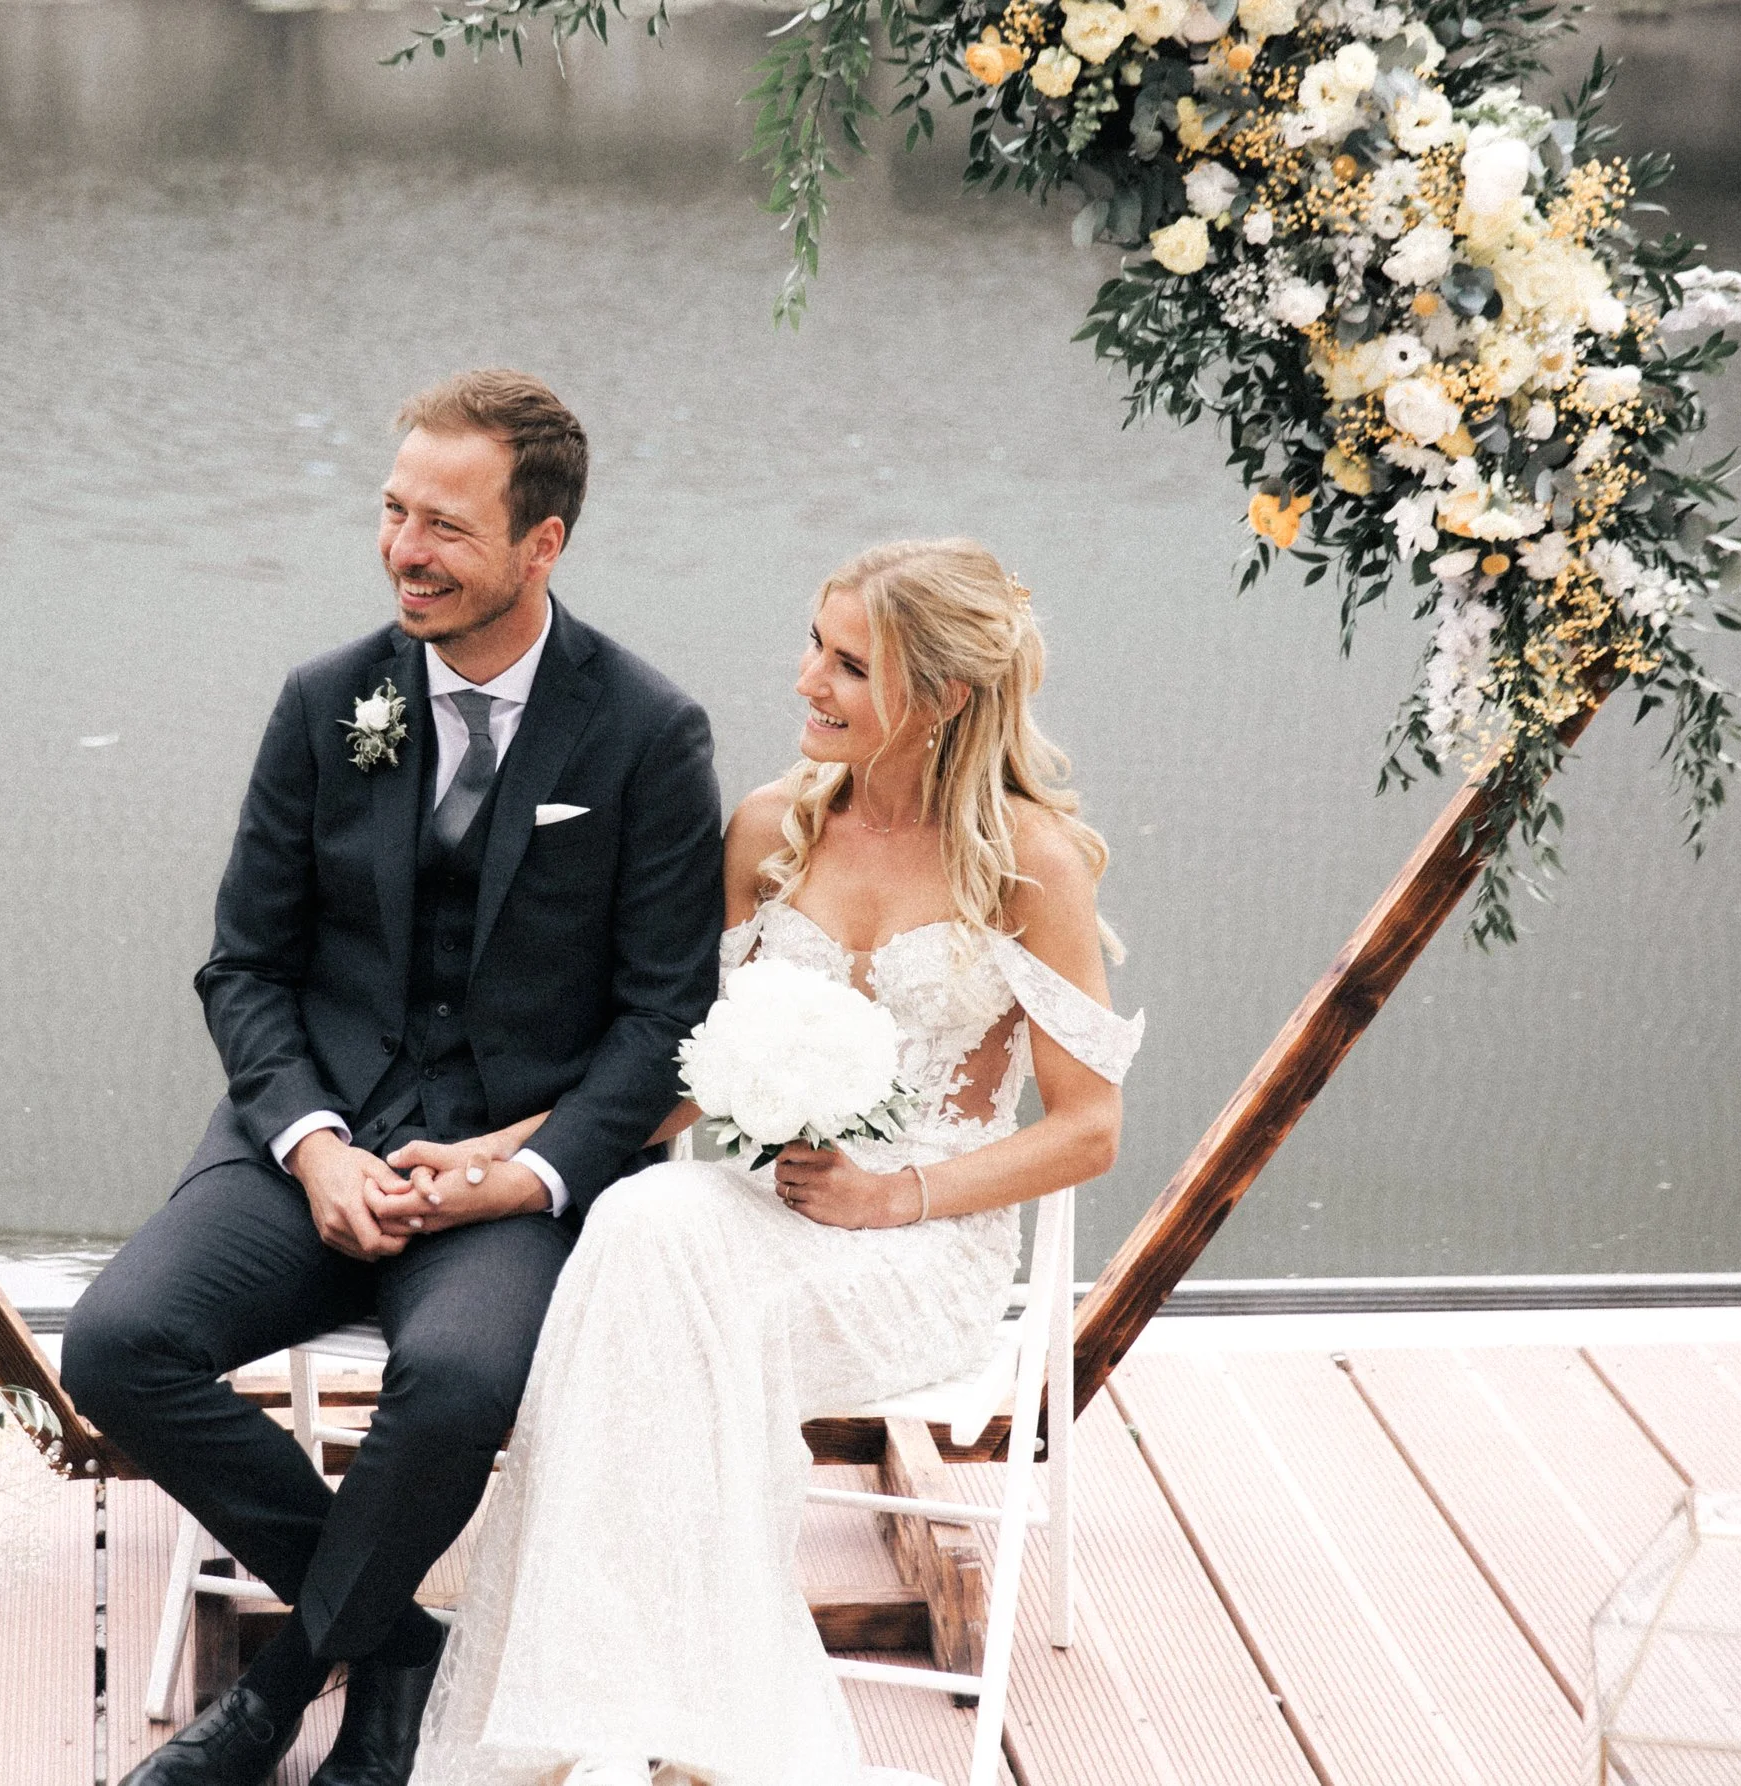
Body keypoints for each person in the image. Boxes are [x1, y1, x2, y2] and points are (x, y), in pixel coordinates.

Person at [61, 369, 726, 1786]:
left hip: (510, 1182)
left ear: (541, 546)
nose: (404, 549)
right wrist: (311, 1145)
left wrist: (510, 1176)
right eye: (393, 509)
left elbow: (669, 1021)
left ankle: (281, 1687)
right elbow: (245, 967)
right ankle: (396, 1640)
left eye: (446, 525)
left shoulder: (646, 734)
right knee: (115, 1342)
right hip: (310, 1144)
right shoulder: (325, 702)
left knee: (461, 1377)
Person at [414, 537, 1144, 1786]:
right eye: (815, 643)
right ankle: (673, 1735)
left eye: (850, 664)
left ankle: (617, 1729)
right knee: (652, 1232)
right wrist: (492, 1154)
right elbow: (678, 1077)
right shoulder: (770, 830)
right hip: (742, 1215)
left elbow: (1089, 1128)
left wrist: (890, 1195)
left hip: (916, 1244)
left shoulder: (1029, 861)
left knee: (659, 1273)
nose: (807, 679)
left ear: (947, 693)